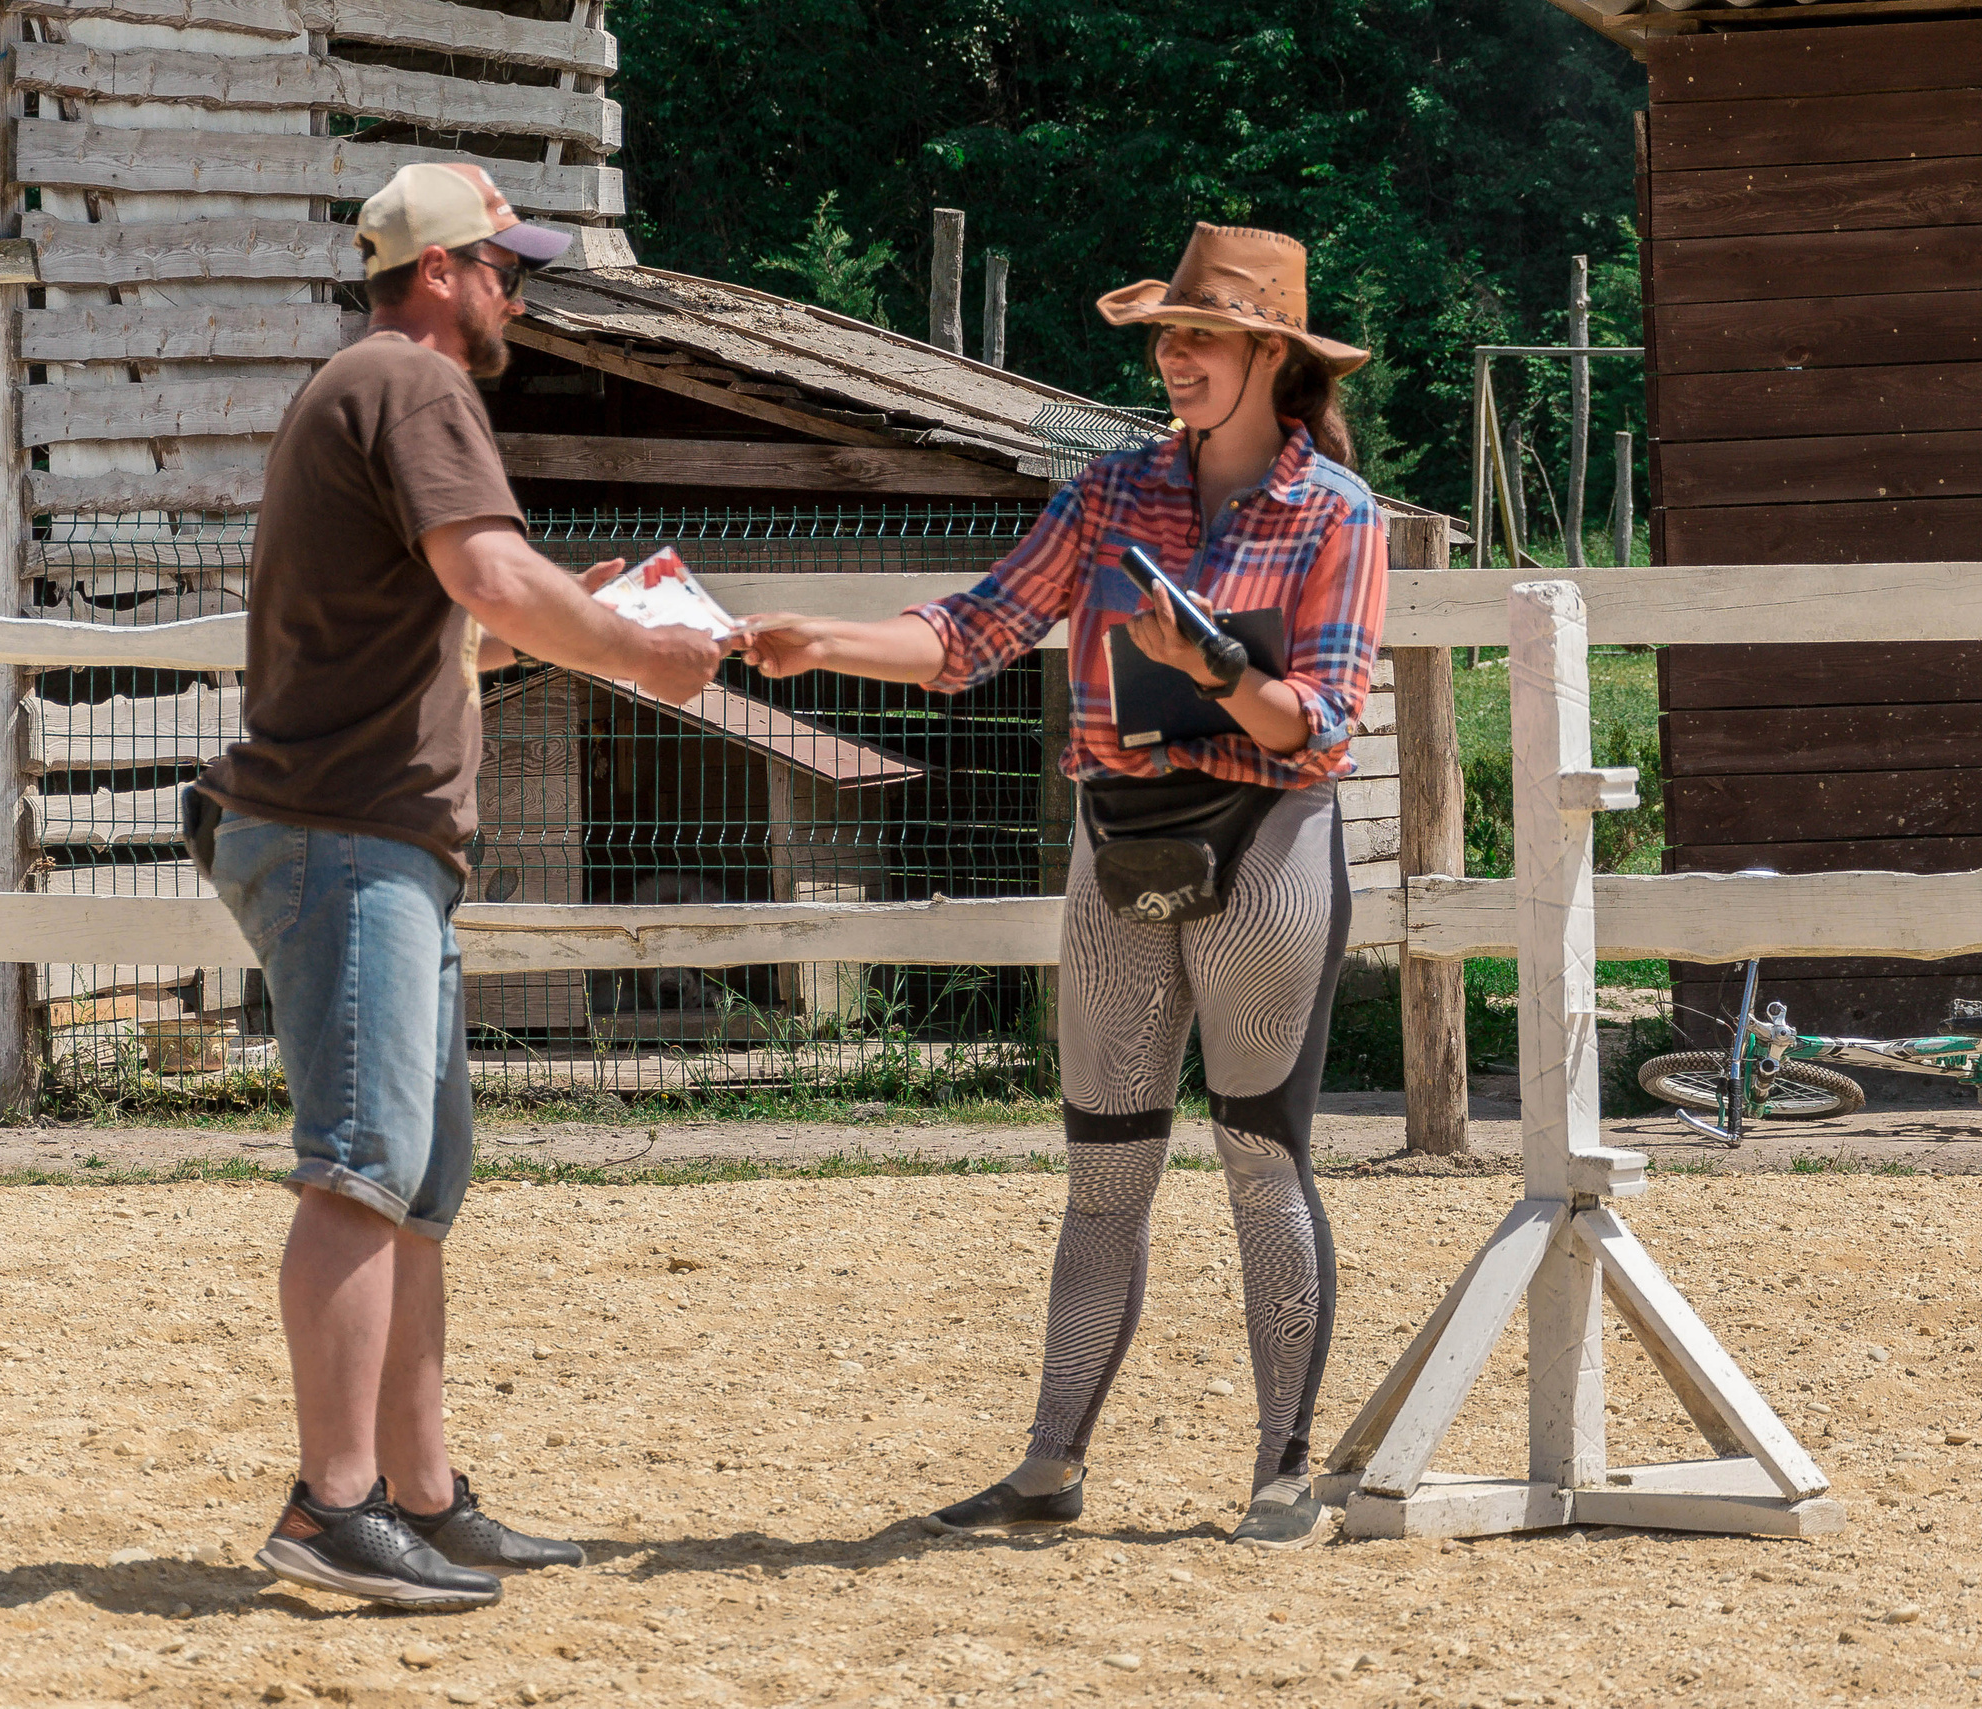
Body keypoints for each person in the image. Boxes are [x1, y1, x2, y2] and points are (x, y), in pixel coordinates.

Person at [741, 224, 1388, 1552]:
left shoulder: (1339, 512)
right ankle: (1048, 1465)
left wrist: (1207, 668)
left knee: (1262, 1156)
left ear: (1272, 355)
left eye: (1201, 335)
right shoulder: (1108, 491)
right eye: (1167, 334)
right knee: (1103, 1171)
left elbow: (1316, 727)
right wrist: (826, 644)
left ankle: (1282, 1470)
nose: (1174, 356)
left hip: (1265, 840)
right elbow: (977, 625)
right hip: (1116, 834)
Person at [188, 162, 727, 1608]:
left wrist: (569, 620)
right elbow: (490, 576)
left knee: (416, 1187)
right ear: (438, 273)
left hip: (361, 835)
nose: (517, 291)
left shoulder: (352, 389)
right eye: (501, 266)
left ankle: (419, 1496)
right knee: (364, 1171)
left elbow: (447, 632)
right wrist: (637, 649)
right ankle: (332, 1504)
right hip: (352, 836)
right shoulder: (420, 391)